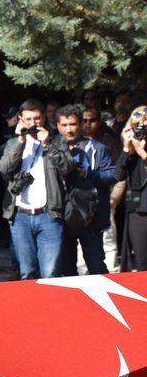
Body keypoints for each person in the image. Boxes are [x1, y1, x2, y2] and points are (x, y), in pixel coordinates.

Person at [0, 99, 75, 279]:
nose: (33, 123)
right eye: (28, 119)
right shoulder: (12, 143)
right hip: (20, 216)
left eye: (37, 118)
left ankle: (52, 306)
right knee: (28, 272)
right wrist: (19, 141)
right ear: (20, 120)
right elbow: (4, 169)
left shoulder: (56, 140)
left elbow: (67, 167)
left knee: (50, 273)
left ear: (44, 119)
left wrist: (47, 143)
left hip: (48, 215)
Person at [56, 105, 115, 276]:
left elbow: (112, 175)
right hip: (62, 217)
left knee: (96, 266)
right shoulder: (51, 149)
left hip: (90, 217)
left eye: (73, 124)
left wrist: (89, 174)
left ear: (81, 124)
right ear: (58, 126)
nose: (69, 129)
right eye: (65, 125)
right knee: (67, 270)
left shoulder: (98, 148)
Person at [82, 107, 124, 273]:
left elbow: (118, 172)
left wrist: (114, 198)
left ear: (99, 122)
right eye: (84, 120)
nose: (87, 124)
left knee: (107, 241)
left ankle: (113, 277)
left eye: (91, 120)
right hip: (79, 205)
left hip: (104, 200)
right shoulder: (74, 144)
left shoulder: (108, 142)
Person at [115, 106, 147, 271]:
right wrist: (127, 150)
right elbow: (118, 175)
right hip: (137, 210)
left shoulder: (141, 152)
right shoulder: (132, 152)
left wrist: (144, 154)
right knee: (141, 261)